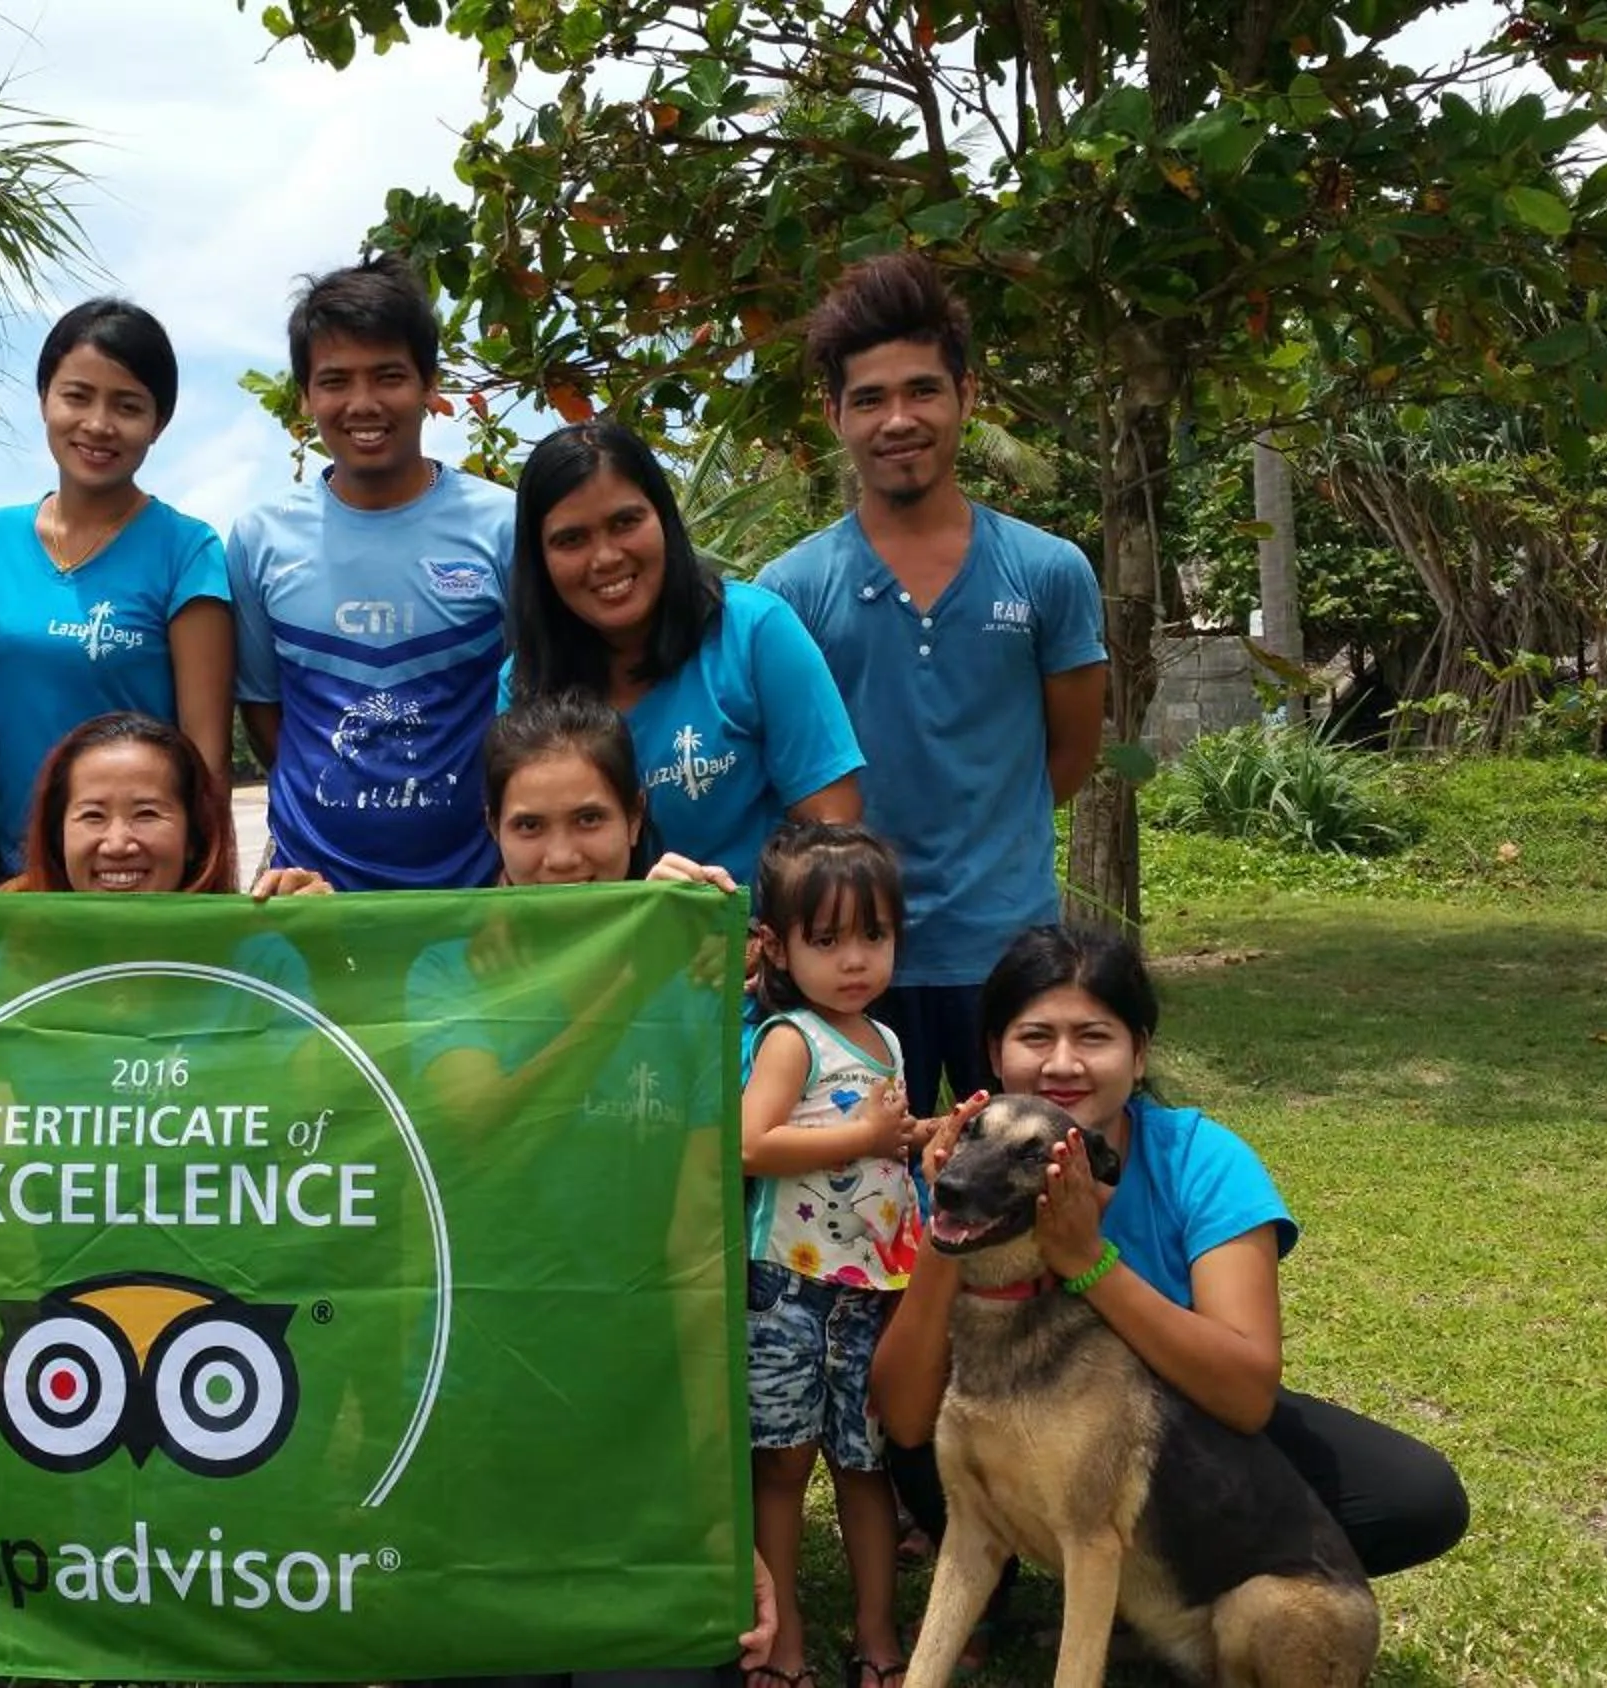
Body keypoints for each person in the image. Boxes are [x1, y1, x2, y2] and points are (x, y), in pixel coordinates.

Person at [869, 923, 1469, 1597]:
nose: (1062, 1064)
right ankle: (1004, 1587)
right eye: (1036, 1036)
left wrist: (1088, 1260)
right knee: (928, 1439)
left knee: (1414, 1496)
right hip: (1018, 1422)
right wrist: (951, 1228)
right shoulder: (962, 1164)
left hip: (1180, 1440)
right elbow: (905, 1417)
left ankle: (1164, 1589)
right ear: (994, 1052)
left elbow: (1245, 1397)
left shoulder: (1201, 1161)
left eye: (1094, 1037)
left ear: (1140, 1053)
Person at [397, 693, 773, 1688]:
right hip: (476, 1401)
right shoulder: (447, 968)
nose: (562, 855)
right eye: (530, 824)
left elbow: (697, 1242)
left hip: (634, 1406)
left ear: (637, 819)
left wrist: (719, 1506)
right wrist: (619, 974)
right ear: (491, 830)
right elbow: (479, 1118)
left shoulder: (691, 977)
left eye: (589, 820)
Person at [755, 252, 1105, 1116]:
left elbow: (1068, 757)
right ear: (835, 414)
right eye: (870, 399)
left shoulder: (1049, 572)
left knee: (1019, 1195)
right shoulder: (788, 595)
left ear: (967, 397)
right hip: (855, 968)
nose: (898, 420)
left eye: (923, 391)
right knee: (857, 1216)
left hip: (1010, 956)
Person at [737, 822, 969, 1688]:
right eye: (826, 940)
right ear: (780, 948)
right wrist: (861, 1133)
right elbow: (749, 1145)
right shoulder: (790, 1038)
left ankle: (879, 1637)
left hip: (876, 1288)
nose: (854, 959)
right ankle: (784, 1638)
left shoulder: (887, 1039)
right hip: (789, 1285)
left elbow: (874, 1141)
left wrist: (914, 1136)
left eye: (873, 936)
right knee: (783, 1466)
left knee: (867, 1469)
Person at [229, 255, 516, 890]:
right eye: (335, 381)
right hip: (309, 887)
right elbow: (263, 703)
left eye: (388, 376)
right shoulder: (260, 538)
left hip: (475, 886)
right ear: (305, 395)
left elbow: (536, 700)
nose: (363, 404)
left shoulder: (503, 526)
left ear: (428, 385)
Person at [504, 421, 862, 890]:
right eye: (571, 539)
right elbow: (525, 865)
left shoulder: (753, 632)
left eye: (625, 522)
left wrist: (760, 942)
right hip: (604, 955)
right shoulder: (526, 680)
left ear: (664, 519)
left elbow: (832, 835)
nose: (606, 557)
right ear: (539, 558)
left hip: (754, 948)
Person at [0, 298, 234, 875]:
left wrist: (212, 888)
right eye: (77, 395)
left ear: (159, 423)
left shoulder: (188, 550)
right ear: (44, 400)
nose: (98, 424)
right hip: (16, 867)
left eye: (128, 405)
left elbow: (207, 753)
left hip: (139, 869)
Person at [0, 711, 326, 898]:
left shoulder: (254, 950)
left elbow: (330, 1008)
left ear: (193, 838)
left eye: (146, 814)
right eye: (93, 816)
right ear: (59, 837)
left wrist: (323, 943)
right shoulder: (10, 951)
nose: (117, 844)